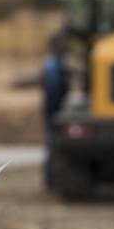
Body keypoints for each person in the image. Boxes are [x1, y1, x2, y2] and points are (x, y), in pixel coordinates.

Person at [41, 31, 69, 189]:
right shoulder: (53, 65)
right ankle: (50, 181)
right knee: (52, 146)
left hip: (51, 111)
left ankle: (50, 180)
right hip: (53, 111)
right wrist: (56, 113)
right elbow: (53, 90)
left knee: (52, 146)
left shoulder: (52, 63)